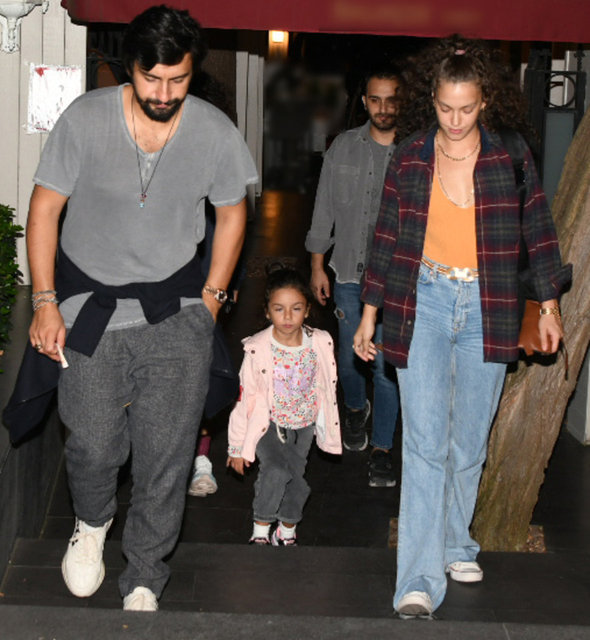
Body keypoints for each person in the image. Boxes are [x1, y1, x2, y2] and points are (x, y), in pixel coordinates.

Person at [26, 5, 257, 610]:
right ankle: (92, 523)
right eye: (152, 79)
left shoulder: (213, 132)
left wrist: (212, 298)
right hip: (89, 309)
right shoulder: (85, 119)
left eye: (178, 80)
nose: (164, 93)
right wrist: (45, 302)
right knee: (93, 443)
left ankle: (147, 572)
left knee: (166, 452)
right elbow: (44, 208)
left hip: (175, 310)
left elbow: (234, 213)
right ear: (131, 67)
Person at [353, 35, 571, 618]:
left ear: (485, 102)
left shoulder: (510, 156)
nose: (455, 120)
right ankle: (418, 580)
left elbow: (539, 230)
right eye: (446, 108)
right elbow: (386, 236)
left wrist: (550, 306)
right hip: (421, 299)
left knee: (469, 442)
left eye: (467, 108)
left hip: (488, 304)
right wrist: (369, 313)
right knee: (424, 445)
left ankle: (455, 542)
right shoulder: (410, 156)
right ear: (432, 100)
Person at [305, 69, 402, 487]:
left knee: (385, 365)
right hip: (347, 272)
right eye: (375, 99)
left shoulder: (415, 153)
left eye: (391, 99)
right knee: (348, 358)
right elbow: (323, 208)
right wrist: (316, 265)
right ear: (364, 101)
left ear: (402, 101)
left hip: (395, 282)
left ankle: (382, 449)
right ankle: (356, 408)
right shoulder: (343, 147)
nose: (383, 108)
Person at [226, 266, 342, 545]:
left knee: (296, 479)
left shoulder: (320, 342)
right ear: (267, 312)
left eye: (296, 308)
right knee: (276, 471)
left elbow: (328, 385)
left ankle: (287, 528)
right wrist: (237, 446)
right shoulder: (257, 348)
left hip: (305, 425)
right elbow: (245, 398)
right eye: (279, 309)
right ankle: (261, 528)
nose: (288, 317)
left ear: (307, 310)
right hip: (269, 422)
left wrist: (326, 423)